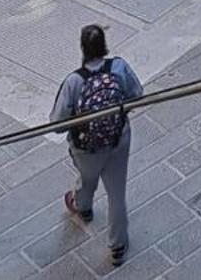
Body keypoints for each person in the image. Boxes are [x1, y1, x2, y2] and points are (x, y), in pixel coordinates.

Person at [53, 26, 140, 268]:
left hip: (86, 148)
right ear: (105, 45)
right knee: (117, 194)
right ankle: (118, 245)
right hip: (118, 140)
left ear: (82, 48)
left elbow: (57, 124)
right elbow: (137, 93)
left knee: (88, 178)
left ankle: (83, 207)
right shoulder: (119, 67)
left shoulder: (73, 81)